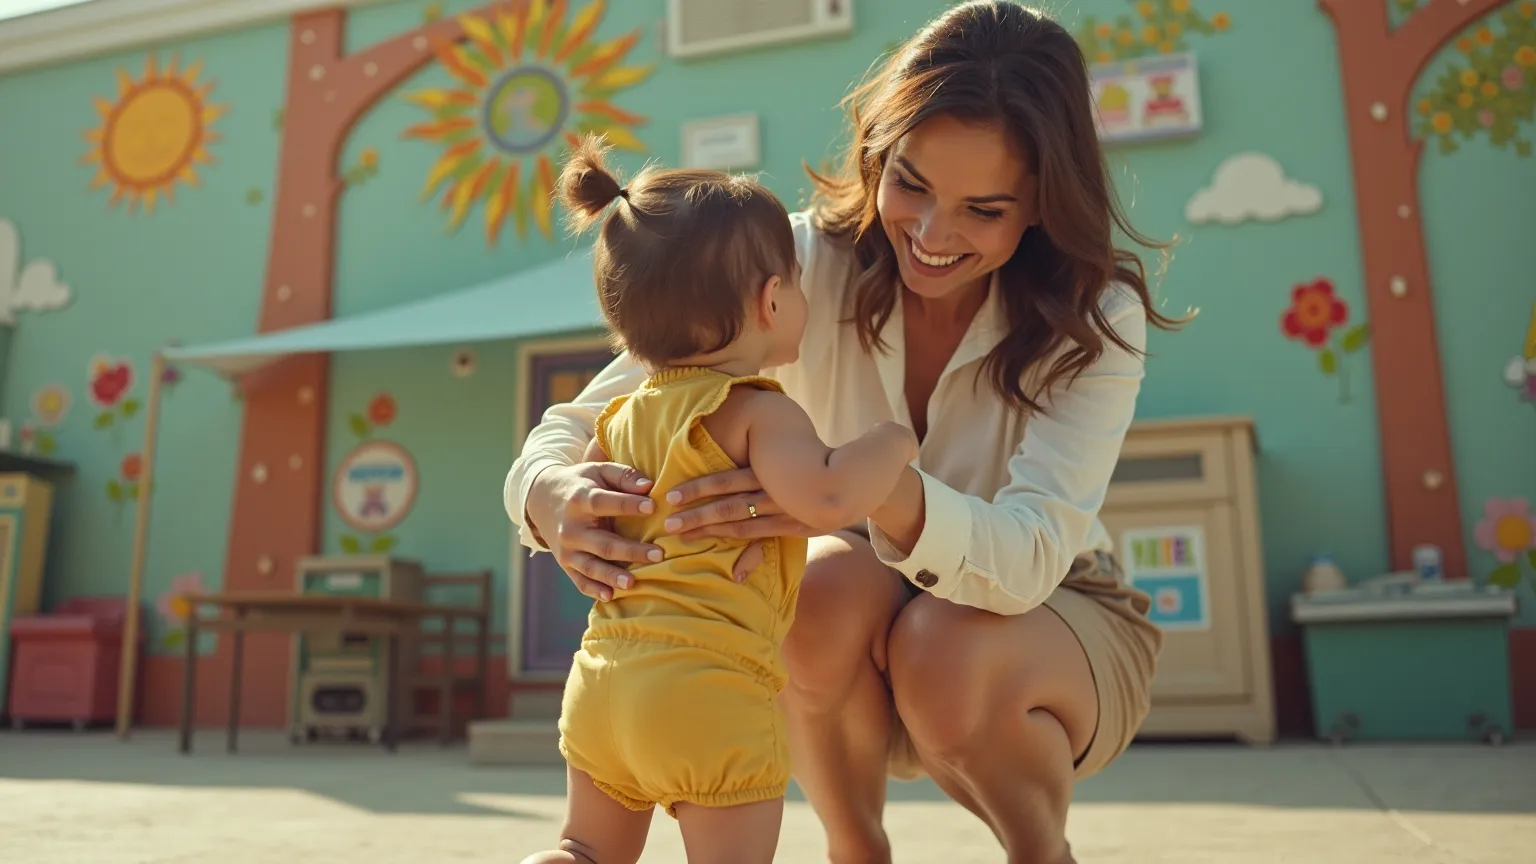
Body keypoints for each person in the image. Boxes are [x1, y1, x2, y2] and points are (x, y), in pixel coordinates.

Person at [507, 2, 1181, 861]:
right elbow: (576, 422)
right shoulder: (787, 265)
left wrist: (878, 488)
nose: (933, 237)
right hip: (848, 628)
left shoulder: (1097, 319)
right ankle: (854, 848)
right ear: (877, 154)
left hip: (1052, 617)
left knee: (942, 647)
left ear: (1045, 204)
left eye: (984, 209)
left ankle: (1038, 851)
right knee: (818, 591)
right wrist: (551, 495)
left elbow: (1033, 554)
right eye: (912, 185)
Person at [518, 136, 918, 864]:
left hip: (604, 682)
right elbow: (827, 496)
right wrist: (892, 444)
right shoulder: (758, 412)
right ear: (773, 301)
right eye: (795, 286)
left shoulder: (619, 419)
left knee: (582, 850)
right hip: (709, 690)